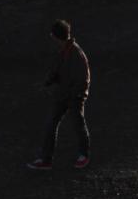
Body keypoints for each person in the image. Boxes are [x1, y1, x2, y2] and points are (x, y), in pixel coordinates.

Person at [27, 19, 91, 170]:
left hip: (73, 97)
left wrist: (77, 96)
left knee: (78, 125)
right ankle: (46, 159)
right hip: (63, 95)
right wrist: (48, 82)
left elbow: (83, 79)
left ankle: (83, 155)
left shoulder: (75, 53)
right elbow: (57, 70)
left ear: (55, 36)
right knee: (52, 125)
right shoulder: (64, 51)